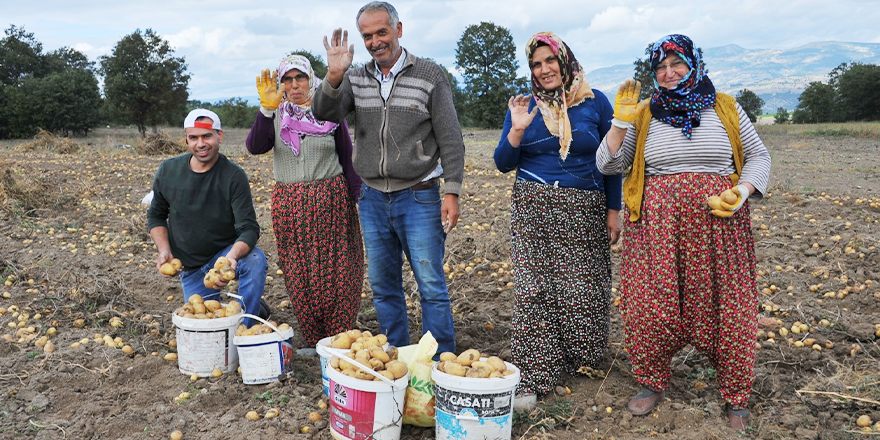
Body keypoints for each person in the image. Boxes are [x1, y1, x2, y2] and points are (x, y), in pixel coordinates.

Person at [596, 34, 771, 430]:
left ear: (693, 65)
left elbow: (759, 155)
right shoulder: (642, 114)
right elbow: (608, 165)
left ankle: (736, 396)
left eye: (676, 64)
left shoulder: (725, 107)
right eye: (660, 67)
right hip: (656, 228)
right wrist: (620, 124)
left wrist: (742, 191)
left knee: (728, 307)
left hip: (719, 225)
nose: (669, 73)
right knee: (649, 304)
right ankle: (651, 381)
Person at [311, 1, 464, 355]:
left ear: (398, 29)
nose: (375, 41)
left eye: (382, 32)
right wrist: (333, 76)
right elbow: (324, 113)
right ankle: (395, 357)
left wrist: (452, 191)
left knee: (430, 285)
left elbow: (451, 139)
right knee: (383, 284)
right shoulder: (356, 77)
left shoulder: (429, 75)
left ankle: (440, 362)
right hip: (373, 198)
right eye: (367, 36)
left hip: (420, 196)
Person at [494, 32, 621, 411]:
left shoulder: (593, 101)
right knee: (534, 289)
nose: (544, 69)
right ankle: (534, 369)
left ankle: (576, 355)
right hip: (533, 206)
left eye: (550, 61)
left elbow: (611, 163)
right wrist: (517, 129)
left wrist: (613, 210)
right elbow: (503, 163)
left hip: (584, 208)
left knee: (581, 288)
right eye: (536, 64)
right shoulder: (524, 104)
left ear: (564, 61)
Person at [245, 55, 364, 356]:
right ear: (281, 84)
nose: (294, 85)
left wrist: (356, 196)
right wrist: (266, 109)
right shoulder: (275, 114)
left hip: (331, 199)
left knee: (339, 268)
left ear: (311, 79)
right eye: (287, 79)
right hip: (290, 204)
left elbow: (346, 155)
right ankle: (314, 339)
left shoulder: (329, 111)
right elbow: (255, 146)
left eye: (300, 78)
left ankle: (339, 338)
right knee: (300, 271)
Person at [148, 109, 270, 327]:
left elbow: (249, 228)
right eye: (194, 137)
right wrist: (164, 251)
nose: (200, 144)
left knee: (254, 261)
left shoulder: (233, 176)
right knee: (204, 321)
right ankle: (252, 307)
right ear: (186, 139)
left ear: (219, 136)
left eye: (207, 136)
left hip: (223, 255)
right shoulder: (169, 171)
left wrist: (231, 257)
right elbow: (156, 215)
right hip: (191, 266)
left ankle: (248, 324)